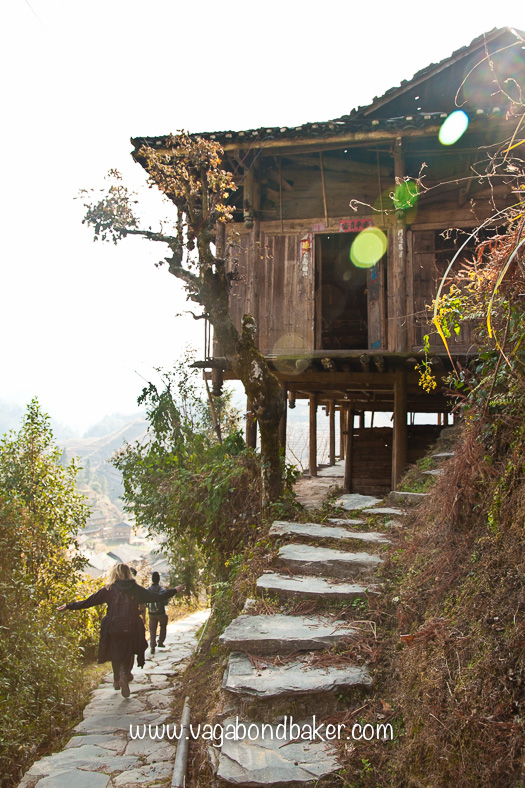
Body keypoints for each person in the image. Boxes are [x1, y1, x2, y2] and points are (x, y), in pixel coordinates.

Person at [57, 563, 184, 697]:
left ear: (115, 573)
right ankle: (124, 675)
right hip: (131, 627)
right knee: (128, 652)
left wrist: (68, 606)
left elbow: (88, 602)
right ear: (128, 573)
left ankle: (116, 679)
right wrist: (174, 590)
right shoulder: (135, 589)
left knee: (115, 652)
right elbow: (156, 597)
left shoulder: (109, 589)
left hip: (113, 627)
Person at [146, 571, 170, 655]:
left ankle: (152, 645)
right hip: (161, 612)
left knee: (152, 629)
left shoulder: (148, 590)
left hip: (151, 613)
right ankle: (160, 641)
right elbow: (166, 602)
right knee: (163, 625)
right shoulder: (162, 590)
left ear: (152, 579)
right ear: (159, 579)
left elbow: (145, 602)